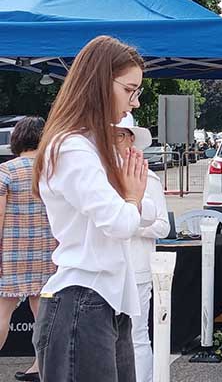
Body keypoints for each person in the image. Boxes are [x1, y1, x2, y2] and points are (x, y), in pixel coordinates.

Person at [31, 35, 155, 382]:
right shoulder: (72, 148)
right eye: (130, 90)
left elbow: (142, 215)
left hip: (102, 300)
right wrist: (131, 198)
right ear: (101, 82)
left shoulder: (89, 146)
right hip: (82, 299)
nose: (135, 102)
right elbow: (120, 220)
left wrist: (133, 199)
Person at [114, 113, 170, 382]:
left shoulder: (149, 178)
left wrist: (130, 223)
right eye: (113, 134)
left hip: (137, 268)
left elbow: (163, 226)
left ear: (133, 141)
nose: (117, 141)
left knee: (136, 335)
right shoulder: (99, 174)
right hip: (107, 269)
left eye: (123, 135)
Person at [0, 117, 57, 382]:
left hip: (11, 252)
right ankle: (40, 367)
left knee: (3, 311)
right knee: (42, 315)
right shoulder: (52, 171)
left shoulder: (7, 171)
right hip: (47, 251)